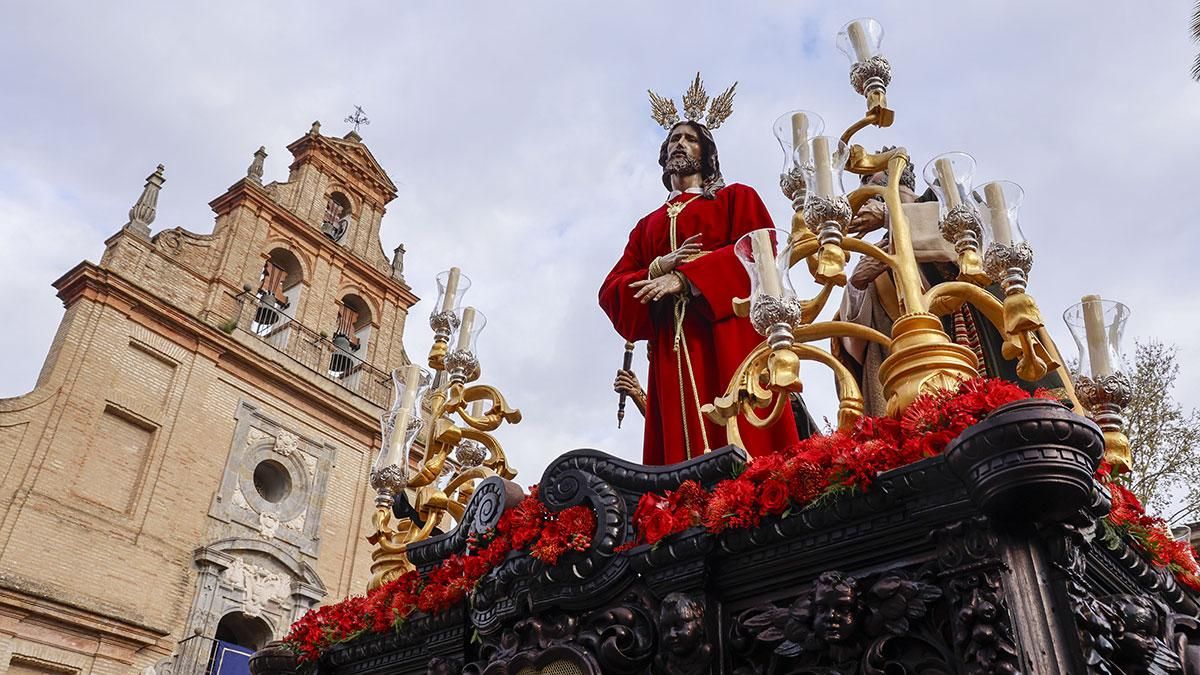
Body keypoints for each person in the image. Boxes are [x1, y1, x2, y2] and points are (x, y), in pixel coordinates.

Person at [599, 85, 799, 465]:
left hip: (727, 339)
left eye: (690, 139)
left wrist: (688, 279)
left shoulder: (735, 198)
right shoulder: (647, 228)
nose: (680, 144)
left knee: (745, 436)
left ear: (706, 154)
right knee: (679, 453)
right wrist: (658, 267)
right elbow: (611, 290)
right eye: (674, 139)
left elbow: (763, 251)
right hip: (671, 353)